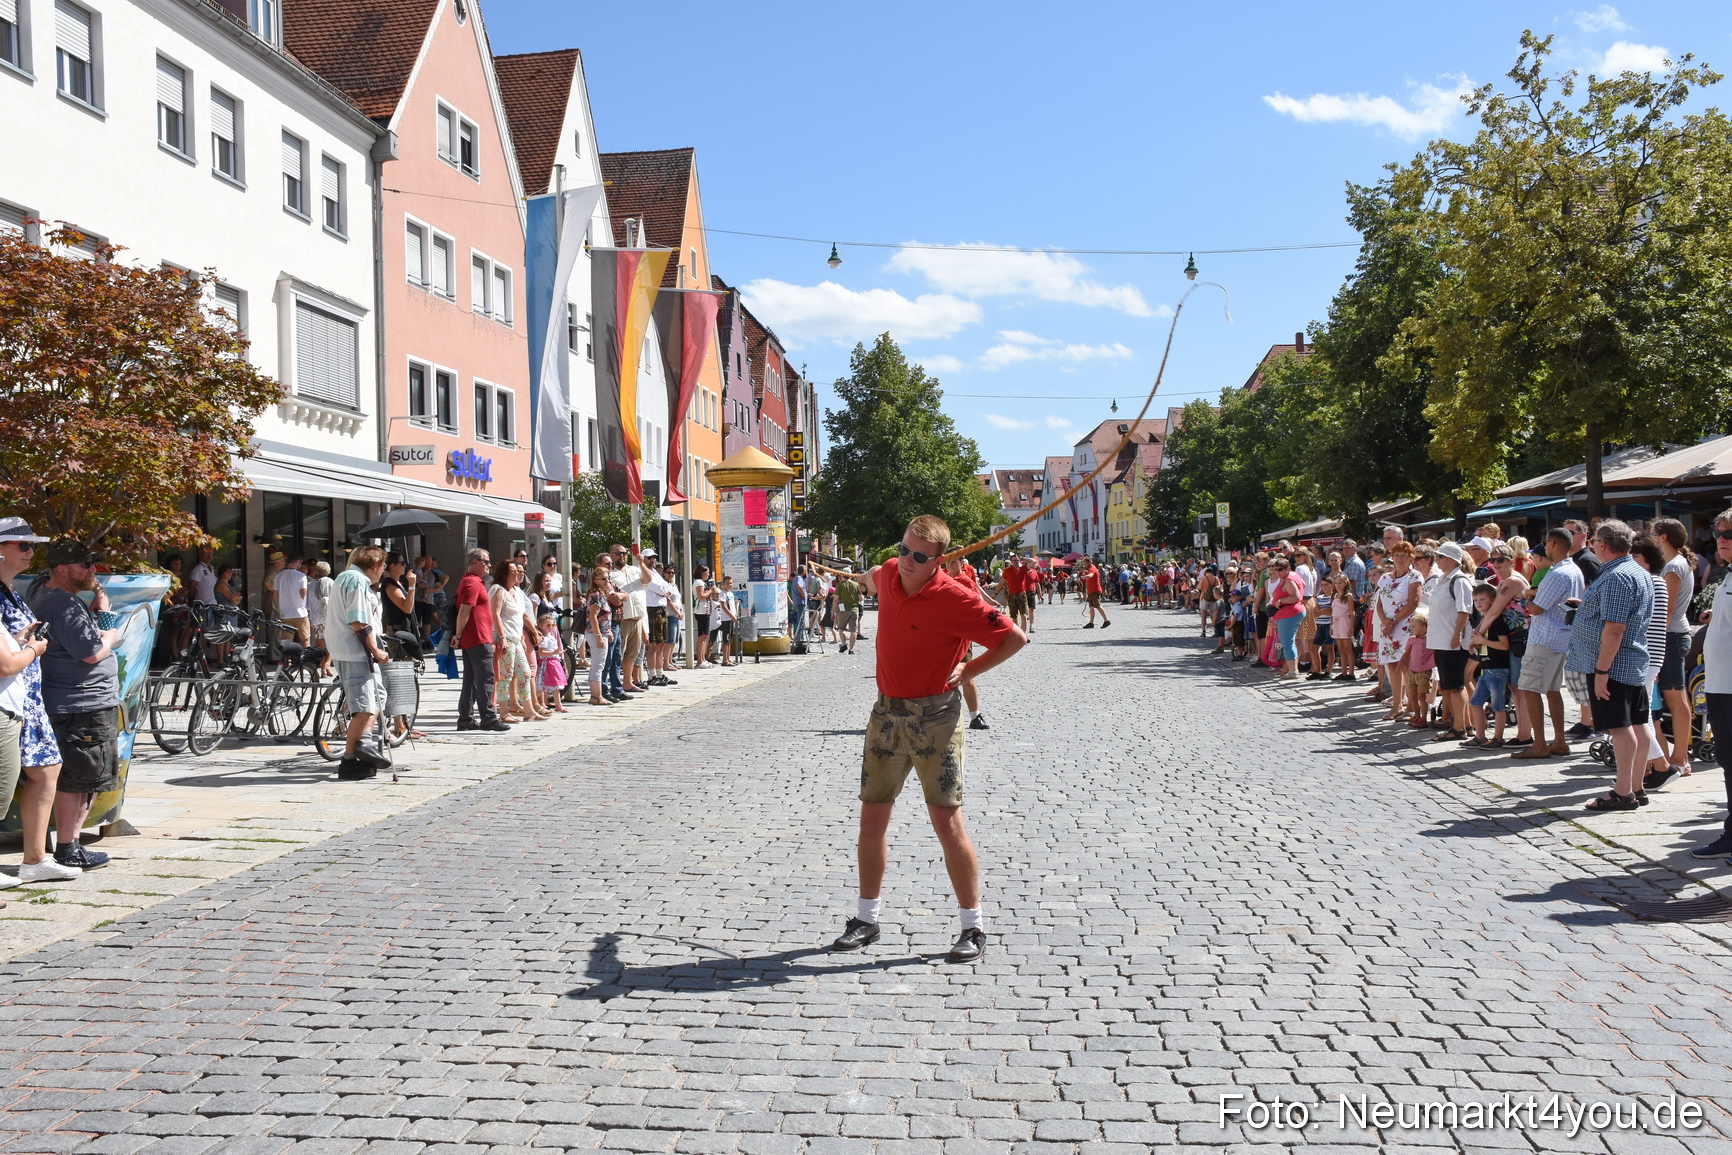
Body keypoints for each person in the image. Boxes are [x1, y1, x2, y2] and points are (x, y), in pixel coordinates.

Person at [828, 516, 1026, 964]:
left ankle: (973, 927)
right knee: (871, 820)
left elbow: (1015, 638)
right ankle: (866, 918)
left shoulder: (957, 598)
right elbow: (871, 575)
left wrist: (971, 669)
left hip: (936, 718)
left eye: (919, 556)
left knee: (947, 824)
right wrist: (857, 578)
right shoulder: (888, 574)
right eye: (903, 550)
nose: (907, 561)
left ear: (939, 560)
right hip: (886, 714)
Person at [27, 541, 125, 870]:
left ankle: (70, 846)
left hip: (74, 701)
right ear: (61, 569)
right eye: (84, 564)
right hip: (81, 704)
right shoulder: (62, 602)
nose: (92, 569)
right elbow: (91, 653)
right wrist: (109, 634)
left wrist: (98, 592)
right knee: (80, 778)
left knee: (83, 776)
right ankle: (68, 848)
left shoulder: (43, 588)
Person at [0, 519, 68, 886]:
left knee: (47, 769)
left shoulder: (10, 590)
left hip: (25, 696)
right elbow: (4, 662)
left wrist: (20, 639)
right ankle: (34, 859)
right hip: (9, 697)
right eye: (23, 545)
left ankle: (36, 858)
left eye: (32, 545)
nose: (30, 552)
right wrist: (33, 648)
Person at [1566, 520, 1652, 811]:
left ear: (1602, 544)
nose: (1592, 546)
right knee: (1637, 724)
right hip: (1630, 660)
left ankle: (1623, 792)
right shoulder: (1636, 571)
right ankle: (1636, 787)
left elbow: (1615, 628)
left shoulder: (1617, 576)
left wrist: (1602, 671)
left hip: (1613, 664)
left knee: (1620, 727)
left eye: (1593, 541)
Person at [322, 544, 393, 779]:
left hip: (355, 651)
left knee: (378, 697)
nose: (383, 571)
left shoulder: (350, 578)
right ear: (375, 565)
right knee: (362, 707)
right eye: (383, 566)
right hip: (355, 652)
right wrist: (375, 650)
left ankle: (365, 741)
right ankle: (350, 758)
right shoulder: (356, 580)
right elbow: (358, 622)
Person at [1690, 507, 1732, 857]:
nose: (1722, 540)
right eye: (1719, 534)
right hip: (1720, 683)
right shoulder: (1727, 575)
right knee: (1727, 760)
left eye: (1730, 535)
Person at [1652, 518, 1696, 778]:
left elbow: (1665, 612)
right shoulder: (1676, 563)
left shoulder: (1673, 566)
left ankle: (1680, 758)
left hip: (1671, 636)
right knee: (1677, 697)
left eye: (1653, 533)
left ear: (1663, 537)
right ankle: (1680, 757)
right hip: (1674, 634)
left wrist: (1653, 643)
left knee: (1675, 697)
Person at [1425, 542, 1475, 741]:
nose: (1437, 559)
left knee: (1456, 686)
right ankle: (1466, 725)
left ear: (1452, 560)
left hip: (1451, 642)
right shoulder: (1443, 579)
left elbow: (1464, 611)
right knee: (1450, 686)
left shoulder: (1459, 581)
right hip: (1441, 640)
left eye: (1440, 556)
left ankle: (1459, 728)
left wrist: (1457, 635)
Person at [455, 548, 507, 732]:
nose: (489, 565)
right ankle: (488, 718)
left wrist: (459, 636)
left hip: (475, 638)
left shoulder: (472, 581)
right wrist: (458, 635)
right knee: (486, 678)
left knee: (470, 681)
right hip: (478, 638)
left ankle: (466, 719)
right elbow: (464, 612)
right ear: (474, 562)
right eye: (485, 561)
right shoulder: (472, 582)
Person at [492, 560, 545, 723]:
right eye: (513, 571)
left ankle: (529, 711)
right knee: (506, 675)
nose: (517, 574)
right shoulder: (499, 590)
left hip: (516, 638)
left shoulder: (517, 591)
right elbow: (495, 615)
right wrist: (502, 638)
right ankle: (504, 712)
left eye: (518, 571)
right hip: (505, 638)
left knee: (525, 673)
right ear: (504, 574)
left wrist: (527, 633)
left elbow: (522, 616)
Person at [1464, 584, 1512, 747]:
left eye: (1482, 599)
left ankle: (1498, 738)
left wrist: (1483, 641)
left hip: (1497, 668)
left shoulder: (1496, 621)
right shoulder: (1483, 620)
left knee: (1498, 706)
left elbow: (1504, 645)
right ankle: (1480, 736)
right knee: (1475, 702)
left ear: (1492, 601)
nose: (1478, 603)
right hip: (1486, 667)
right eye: (1475, 600)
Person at [611, 544, 651, 693]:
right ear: (612, 555)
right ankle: (615, 685)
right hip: (622, 618)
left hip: (637, 617)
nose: (622, 555)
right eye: (618, 553)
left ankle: (627, 683)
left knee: (632, 654)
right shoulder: (610, 573)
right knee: (618, 654)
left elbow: (647, 579)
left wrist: (641, 563)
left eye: (624, 553)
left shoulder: (634, 570)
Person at [583, 566, 616, 706]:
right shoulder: (596, 595)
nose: (607, 581)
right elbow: (593, 617)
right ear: (596, 580)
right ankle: (596, 696)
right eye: (604, 578)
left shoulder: (601, 594)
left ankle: (597, 695)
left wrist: (608, 632)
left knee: (599, 665)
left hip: (602, 632)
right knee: (598, 665)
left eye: (608, 578)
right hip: (595, 633)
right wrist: (598, 636)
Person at [535, 613, 568, 714]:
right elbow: (541, 653)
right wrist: (554, 652)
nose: (551, 627)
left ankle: (558, 705)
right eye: (548, 625)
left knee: (556, 685)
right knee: (542, 686)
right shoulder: (544, 639)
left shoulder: (551, 637)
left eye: (553, 625)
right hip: (548, 664)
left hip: (554, 663)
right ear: (541, 626)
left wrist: (558, 653)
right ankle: (531, 702)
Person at [274, 553, 310, 643]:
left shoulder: (279, 576)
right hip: (300, 613)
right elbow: (303, 594)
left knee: (287, 641)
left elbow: (275, 597)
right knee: (305, 639)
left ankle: (288, 653)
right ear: (297, 562)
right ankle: (307, 653)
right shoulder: (301, 576)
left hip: (285, 614)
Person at [835, 570, 861, 654]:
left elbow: (836, 599)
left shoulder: (840, 585)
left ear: (843, 575)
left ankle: (844, 644)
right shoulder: (856, 585)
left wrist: (833, 610)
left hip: (843, 610)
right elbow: (861, 598)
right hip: (854, 609)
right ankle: (851, 649)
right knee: (853, 630)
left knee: (841, 628)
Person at [1079, 559, 1110, 629]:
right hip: (1091, 591)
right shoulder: (1090, 568)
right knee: (1092, 607)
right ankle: (1091, 623)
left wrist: (1081, 577)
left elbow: (1090, 575)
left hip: (1094, 590)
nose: (1085, 565)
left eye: (1085, 564)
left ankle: (1106, 621)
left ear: (1090, 562)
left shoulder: (1092, 568)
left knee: (1098, 606)